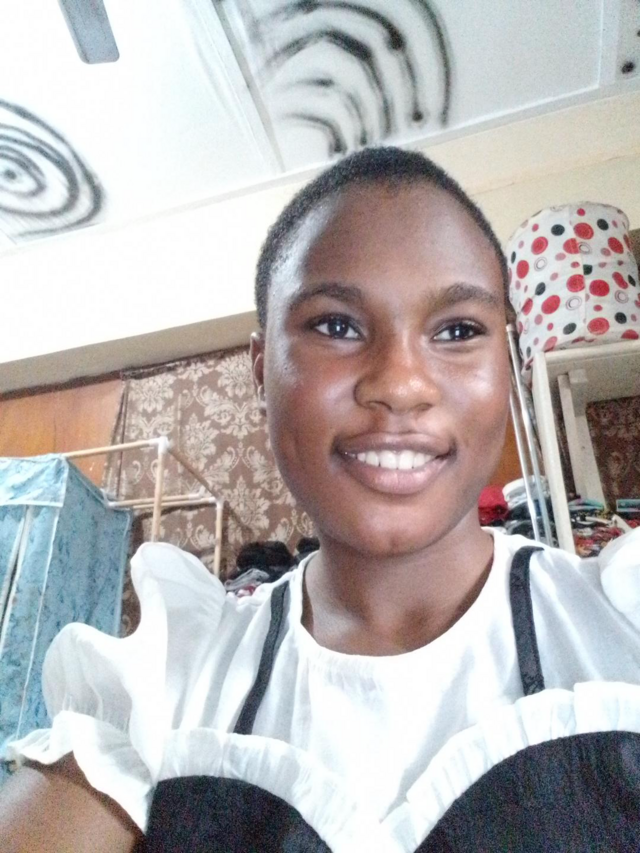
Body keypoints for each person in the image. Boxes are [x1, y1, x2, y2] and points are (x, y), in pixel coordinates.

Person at [1, 146, 639, 852]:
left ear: (508, 361)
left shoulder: (620, 623)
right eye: (337, 325)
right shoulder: (168, 684)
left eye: (458, 331)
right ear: (260, 371)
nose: (400, 384)